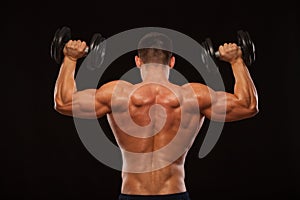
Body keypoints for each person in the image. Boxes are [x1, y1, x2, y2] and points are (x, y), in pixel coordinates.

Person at [53, 31, 259, 200]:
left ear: (137, 61)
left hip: (131, 194)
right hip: (175, 193)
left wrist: (70, 58)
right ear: (172, 62)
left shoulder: (117, 95)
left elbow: (63, 102)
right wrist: (236, 61)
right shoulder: (193, 96)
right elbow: (248, 105)